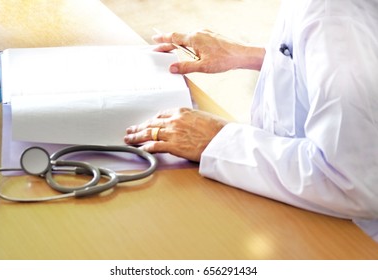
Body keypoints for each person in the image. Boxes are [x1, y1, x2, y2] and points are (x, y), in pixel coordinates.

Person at [124, 0, 378, 241]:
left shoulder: (335, 16)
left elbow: (350, 181)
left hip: (348, 239)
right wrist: (251, 55)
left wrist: (216, 139)